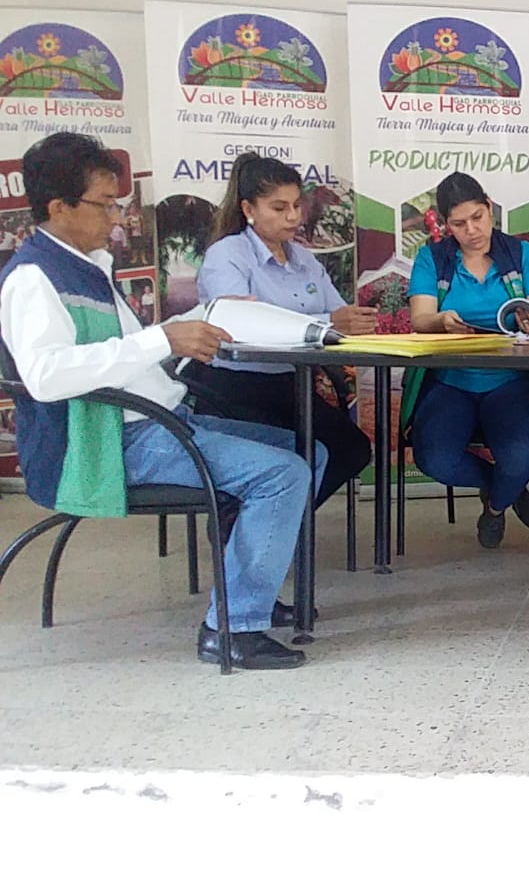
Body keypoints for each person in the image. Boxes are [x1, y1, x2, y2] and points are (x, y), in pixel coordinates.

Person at [0, 132, 326, 669]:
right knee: (284, 473)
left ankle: (244, 588)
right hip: (107, 443)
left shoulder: (85, 265)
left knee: (309, 451)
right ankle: (233, 629)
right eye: (105, 205)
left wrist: (203, 318)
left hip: (156, 421)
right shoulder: (33, 279)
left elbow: (126, 349)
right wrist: (162, 340)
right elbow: (46, 376)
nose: (116, 219)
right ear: (59, 207)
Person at [188, 153, 375, 507]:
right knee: (288, 457)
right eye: (279, 208)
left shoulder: (305, 259)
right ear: (249, 209)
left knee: (352, 449)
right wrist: (329, 321)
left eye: (296, 205)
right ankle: (254, 520)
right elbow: (238, 324)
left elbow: (338, 318)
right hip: (233, 387)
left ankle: (276, 520)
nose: (293, 216)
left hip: (292, 384)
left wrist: (354, 322)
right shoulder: (227, 255)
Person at [405, 172, 529, 549]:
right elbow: (420, 319)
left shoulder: (521, 254)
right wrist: (440, 321)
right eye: (459, 224)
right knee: (434, 458)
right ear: (445, 224)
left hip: (511, 380)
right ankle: (504, 488)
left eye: (478, 217)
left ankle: (495, 506)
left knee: (521, 457)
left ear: (490, 208)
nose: (472, 230)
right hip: (451, 380)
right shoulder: (433, 258)